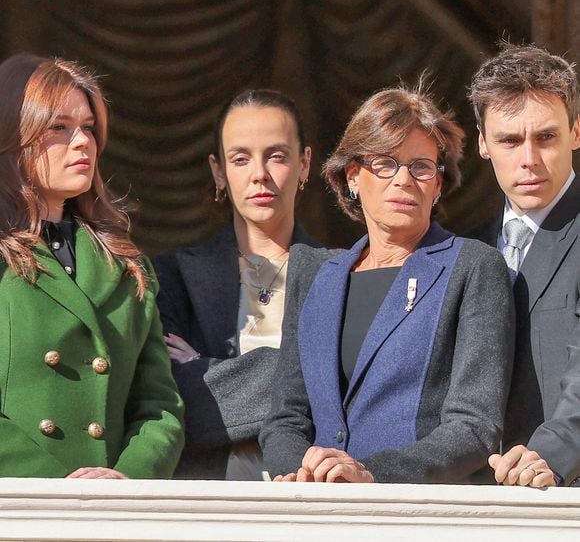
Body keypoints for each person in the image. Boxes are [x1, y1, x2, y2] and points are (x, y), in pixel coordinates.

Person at [259, 85, 515, 484]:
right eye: (385, 163)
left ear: (438, 185)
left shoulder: (473, 267)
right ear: (353, 177)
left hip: (418, 513)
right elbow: (286, 417)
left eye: (421, 166)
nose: (404, 180)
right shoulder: (316, 277)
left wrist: (371, 475)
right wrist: (298, 475)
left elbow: (474, 426)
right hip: (316, 512)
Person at [0, 53, 184, 479]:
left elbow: (160, 405)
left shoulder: (125, 263)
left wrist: (127, 479)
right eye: (59, 128)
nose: (82, 142)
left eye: (88, 127)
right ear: (11, 135)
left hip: (111, 513)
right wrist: (52, 486)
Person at [153, 89, 326, 479]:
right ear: (219, 171)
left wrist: (205, 368)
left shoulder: (342, 275)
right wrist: (305, 376)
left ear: (304, 164)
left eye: (277, 156)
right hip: (205, 502)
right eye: (240, 158)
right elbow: (172, 403)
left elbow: (345, 394)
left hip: (311, 496)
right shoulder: (173, 276)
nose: (259, 174)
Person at [469, 43, 580, 487]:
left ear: (575, 131)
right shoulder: (466, 246)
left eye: (546, 137)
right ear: (483, 143)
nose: (529, 159)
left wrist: (550, 454)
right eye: (510, 140)